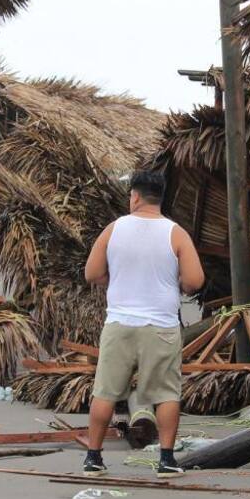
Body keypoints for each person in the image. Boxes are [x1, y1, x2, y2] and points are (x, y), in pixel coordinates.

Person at [82, 170, 205, 478]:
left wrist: (114, 280)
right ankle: (166, 460)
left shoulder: (113, 229)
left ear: (134, 196)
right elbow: (195, 280)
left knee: (106, 392)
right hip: (160, 326)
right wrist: (178, 285)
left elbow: (92, 273)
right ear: (159, 198)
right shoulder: (175, 233)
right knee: (165, 394)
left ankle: (93, 458)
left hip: (119, 324)